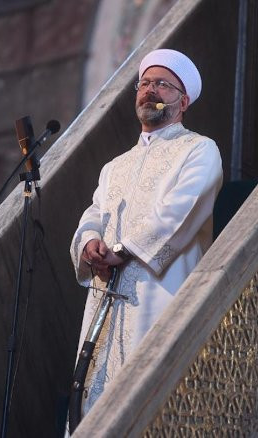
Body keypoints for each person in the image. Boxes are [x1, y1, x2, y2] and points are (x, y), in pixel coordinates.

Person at [69, 49, 223, 414]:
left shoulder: (199, 150)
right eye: (145, 83)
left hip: (161, 295)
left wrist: (122, 250)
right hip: (105, 299)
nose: (150, 90)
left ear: (183, 101)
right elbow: (94, 213)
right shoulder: (114, 167)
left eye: (162, 85)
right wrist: (91, 243)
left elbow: (179, 212)